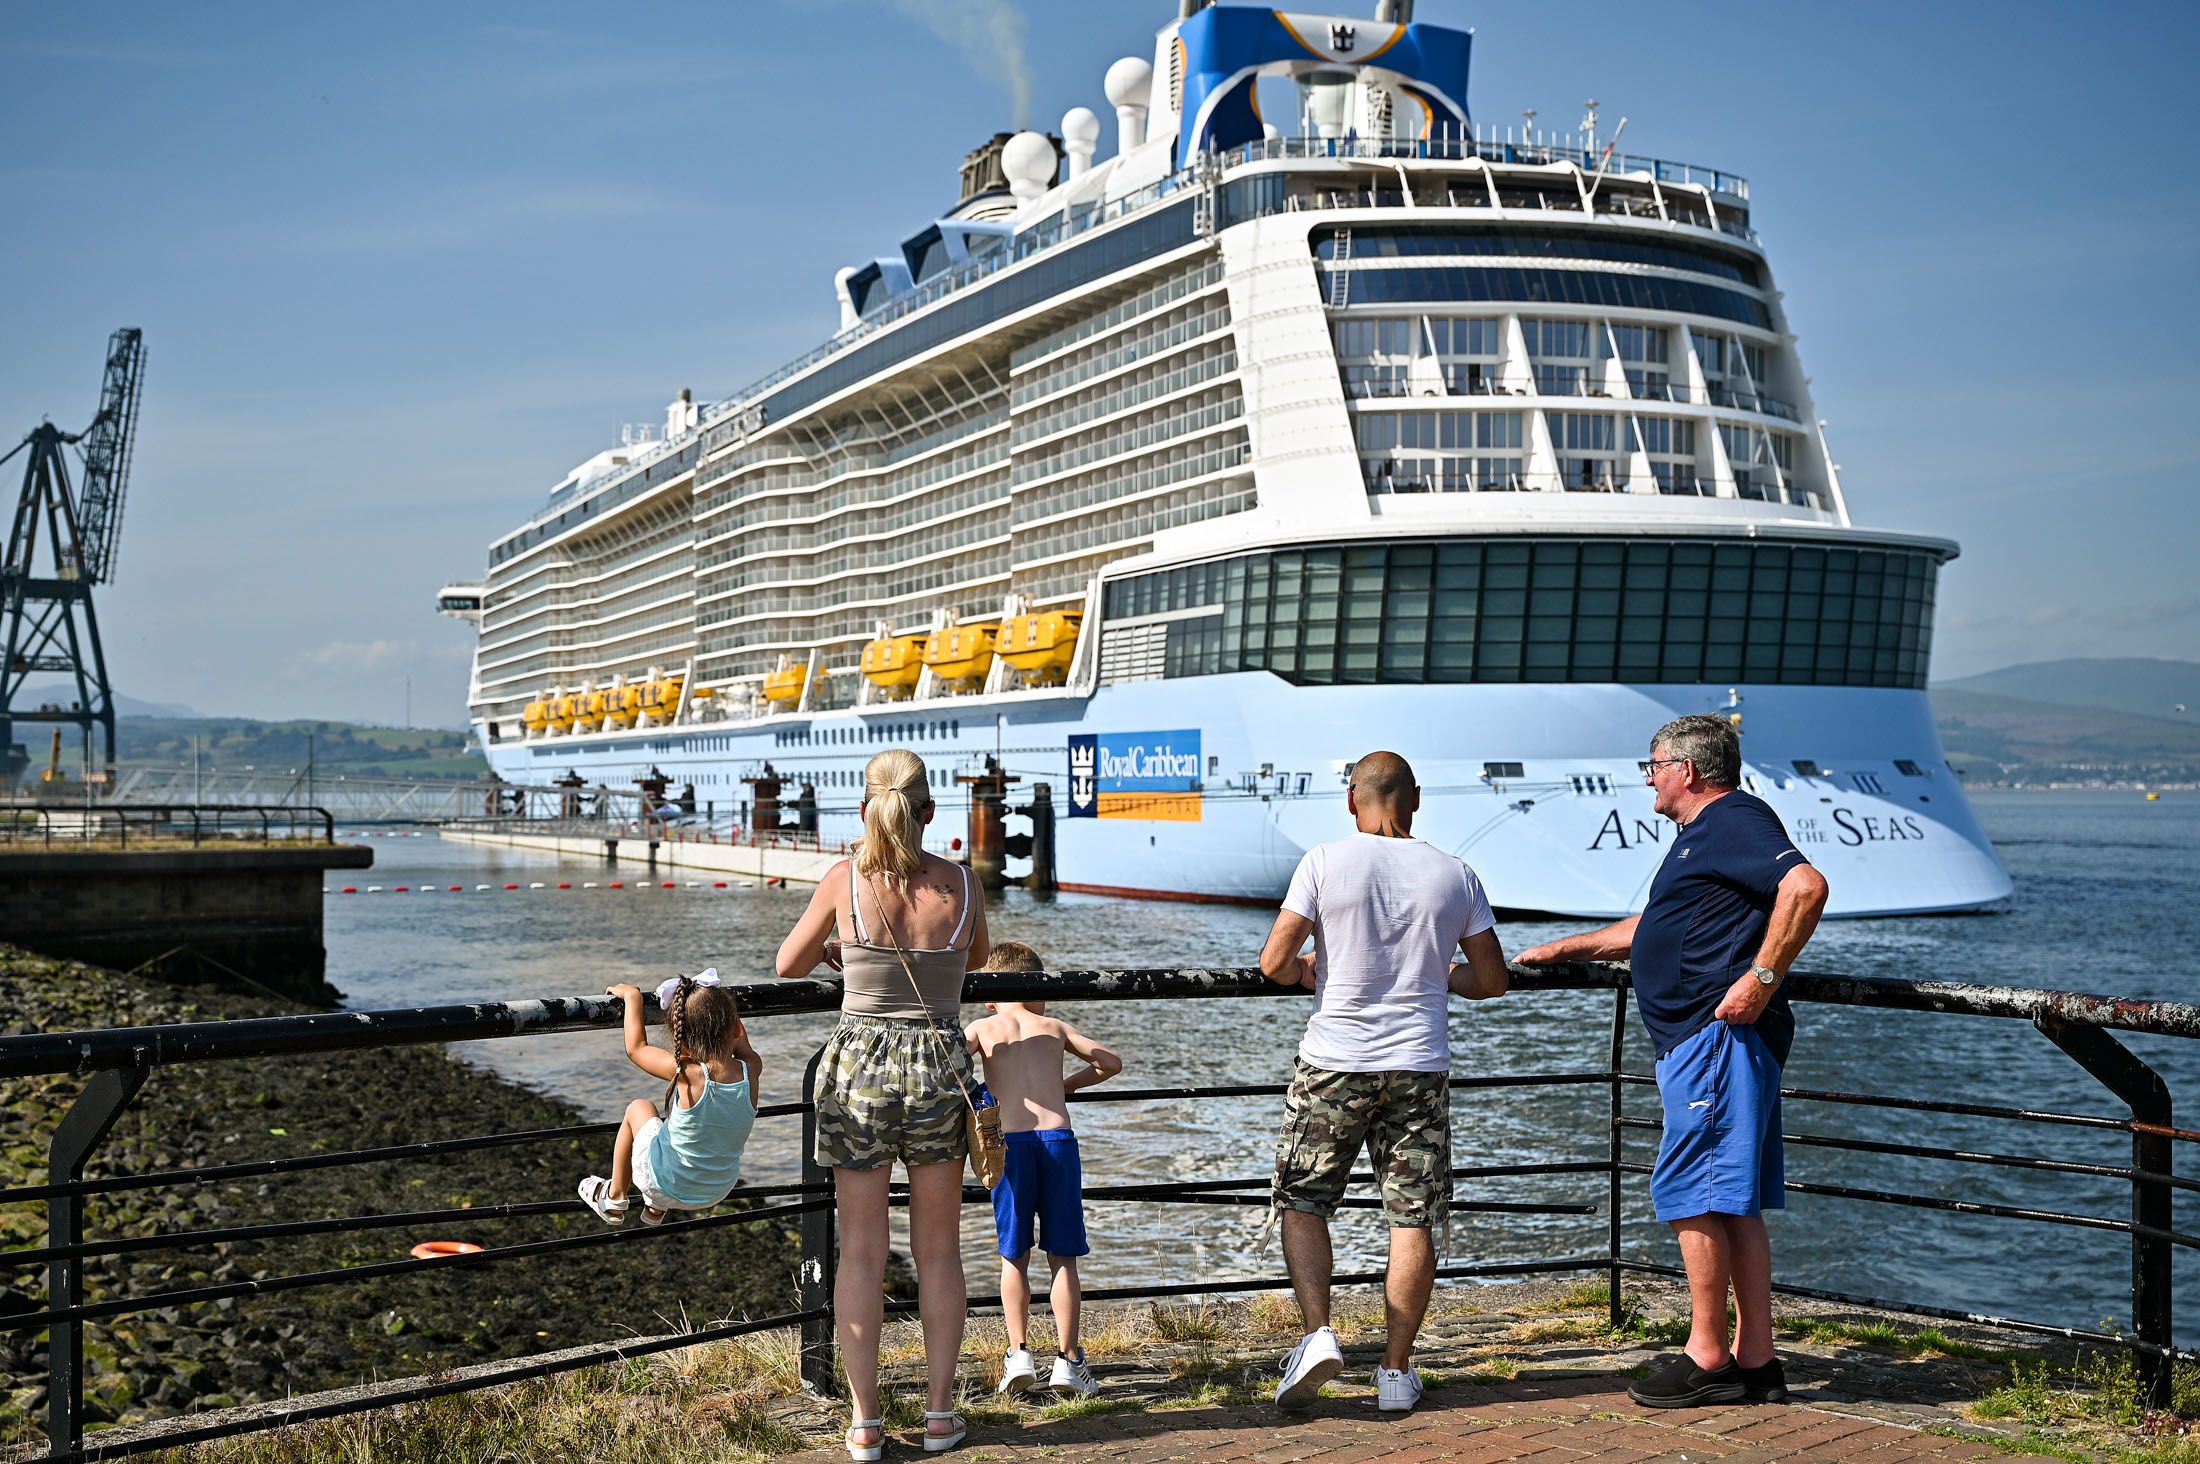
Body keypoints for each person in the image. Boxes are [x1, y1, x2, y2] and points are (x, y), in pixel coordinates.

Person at [1516, 714, 1829, 1409]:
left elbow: (1806, 887)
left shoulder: (1734, 818)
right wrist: (1565, 949)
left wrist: (1761, 979)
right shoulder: (1704, 837)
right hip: (1712, 1040)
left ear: (1686, 770)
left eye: (1653, 767)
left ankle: (1708, 1357)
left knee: (1694, 1191)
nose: (1649, 780)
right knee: (1733, 1201)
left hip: (1714, 1037)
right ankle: (1756, 1360)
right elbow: (1657, 928)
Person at [1256, 750, 1510, 1414]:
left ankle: (1318, 1336)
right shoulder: (1456, 874)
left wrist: (1311, 969)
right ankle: (1395, 1372)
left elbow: (1274, 962)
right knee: (1412, 1216)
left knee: (1305, 1201)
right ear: (1415, 798)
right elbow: (1491, 980)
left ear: (1352, 800)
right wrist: (1439, 974)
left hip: (1334, 1061)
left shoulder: (1324, 861)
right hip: (1418, 1065)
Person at [776, 747, 989, 1461]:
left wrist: (841, 948)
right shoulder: (963, 884)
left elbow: (787, 964)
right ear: (929, 811)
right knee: (939, 1251)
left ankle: (865, 1422)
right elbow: (976, 958)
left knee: (862, 1251)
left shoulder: (845, 879)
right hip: (940, 1066)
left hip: (859, 1069)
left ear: (865, 809)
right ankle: (939, 1414)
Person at [962, 939, 1123, 1400]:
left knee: (1014, 1255)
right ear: (1040, 988)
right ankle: (1069, 1361)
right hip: (1057, 1143)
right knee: (1063, 1256)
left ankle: (1018, 1353)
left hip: (1008, 1146)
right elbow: (1109, 1063)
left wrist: (979, 1096)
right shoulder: (1053, 1026)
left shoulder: (983, 1027)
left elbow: (949, 1065)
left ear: (988, 995)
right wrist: (1064, 1085)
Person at [578, 969, 760, 1225]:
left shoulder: (689, 1073)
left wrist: (633, 998)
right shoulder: (751, 1067)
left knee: (640, 1108)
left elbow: (636, 1048)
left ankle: (614, 1197)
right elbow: (740, 1042)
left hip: (663, 1183)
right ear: (736, 1027)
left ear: (681, 1042)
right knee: (684, 1134)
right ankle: (654, 1209)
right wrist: (718, 1006)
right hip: (716, 1190)